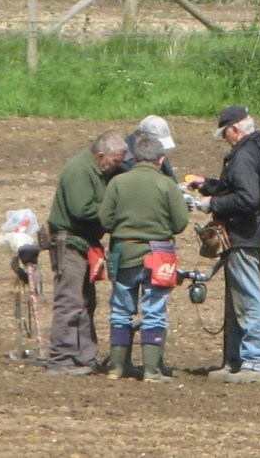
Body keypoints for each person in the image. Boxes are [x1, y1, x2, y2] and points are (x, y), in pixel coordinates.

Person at [187, 105, 260, 384]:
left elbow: (247, 198)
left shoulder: (243, 156)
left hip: (242, 235)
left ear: (235, 129)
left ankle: (255, 363)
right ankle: (235, 362)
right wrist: (206, 184)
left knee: (247, 297)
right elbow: (238, 188)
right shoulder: (257, 149)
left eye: (225, 133)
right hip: (249, 233)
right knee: (237, 300)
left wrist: (211, 204)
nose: (224, 139)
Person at [99, 136, 190, 383]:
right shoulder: (166, 184)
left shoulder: (117, 183)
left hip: (123, 252)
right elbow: (181, 222)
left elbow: (105, 221)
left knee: (120, 310)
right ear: (160, 160)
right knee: (155, 311)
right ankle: (151, 371)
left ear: (135, 158)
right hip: (159, 255)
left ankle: (117, 367)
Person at [44, 130, 128, 377]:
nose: (118, 166)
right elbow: (82, 209)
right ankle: (61, 358)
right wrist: (115, 209)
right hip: (69, 243)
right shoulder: (79, 170)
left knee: (86, 303)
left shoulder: (101, 170)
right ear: (101, 155)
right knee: (69, 302)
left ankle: (84, 357)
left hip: (85, 244)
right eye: (115, 161)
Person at [118, 115, 178, 181]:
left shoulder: (157, 151)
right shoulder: (124, 159)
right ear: (143, 137)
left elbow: (171, 178)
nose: (159, 148)